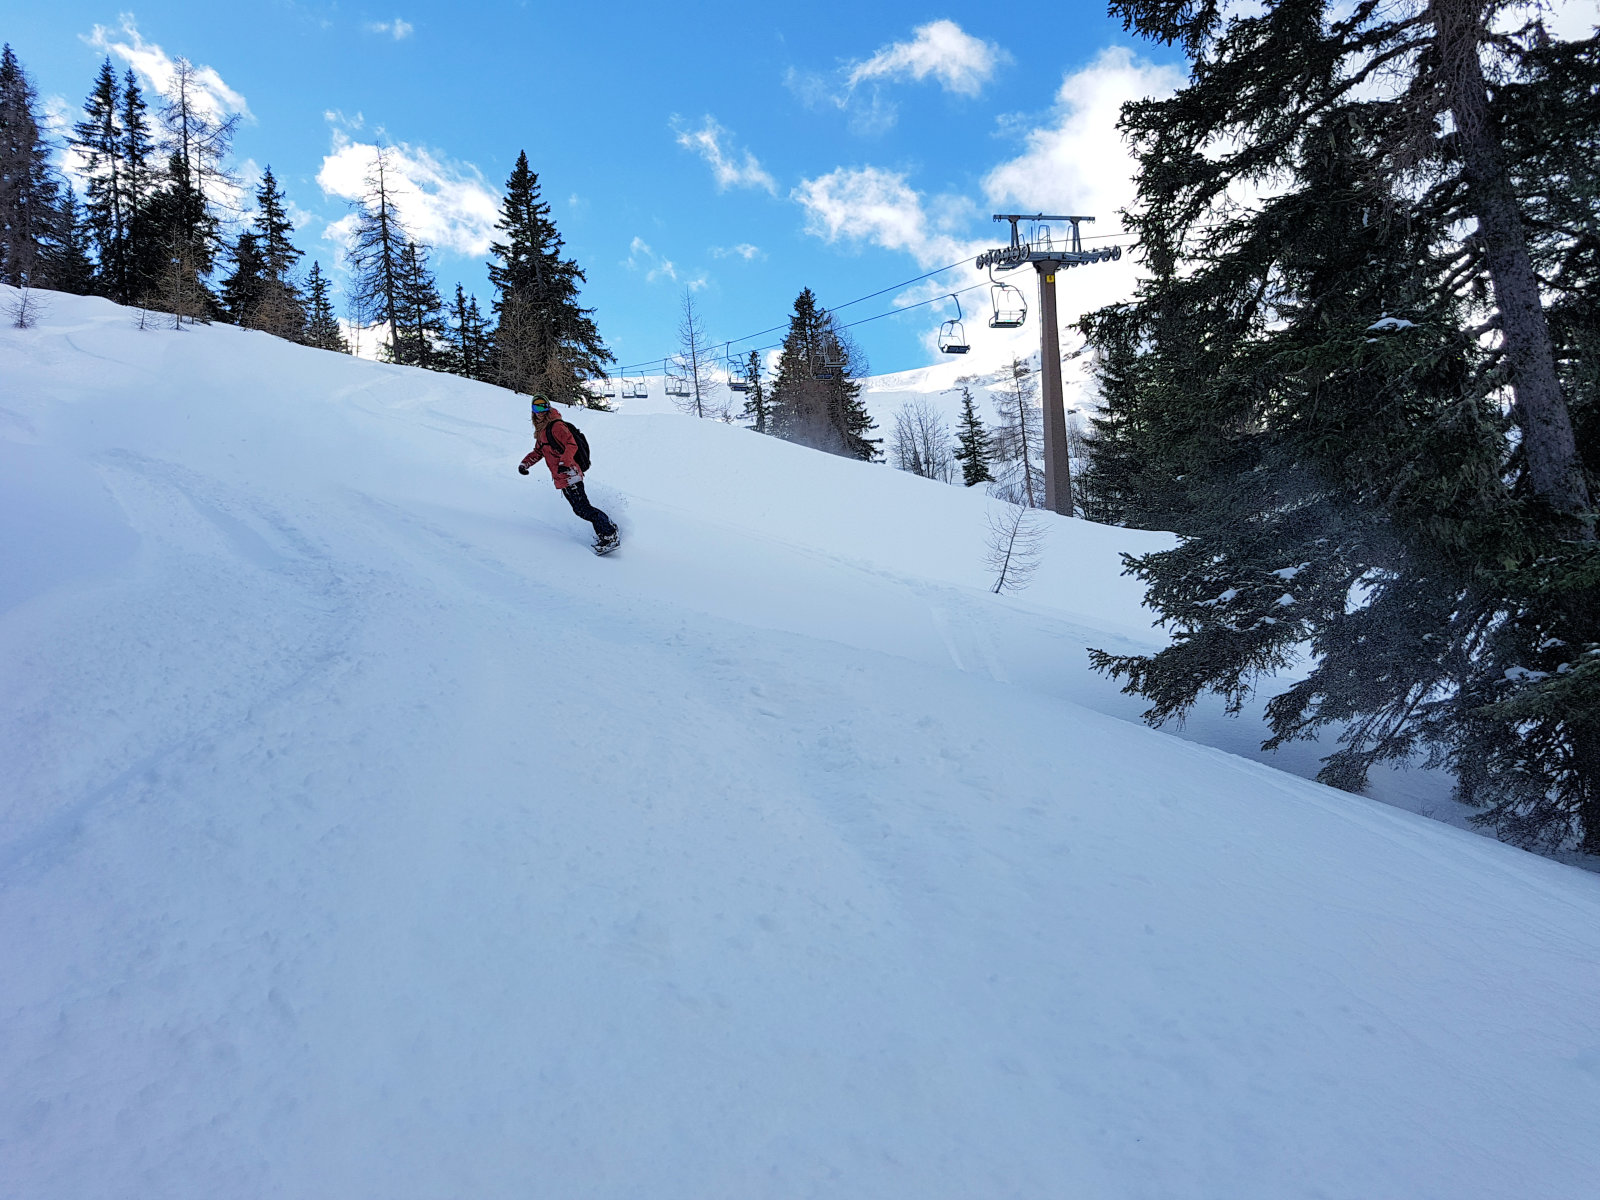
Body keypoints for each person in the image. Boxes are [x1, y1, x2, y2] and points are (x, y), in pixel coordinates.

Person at [518, 393, 620, 552]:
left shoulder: (557, 426)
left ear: (548, 407)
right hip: (562, 477)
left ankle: (609, 534)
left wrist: (564, 463)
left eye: (543, 406)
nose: (540, 411)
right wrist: (525, 464)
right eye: (536, 407)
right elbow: (538, 452)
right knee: (580, 509)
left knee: (583, 509)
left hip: (569, 473)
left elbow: (571, 444)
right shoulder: (543, 432)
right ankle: (607, 528)